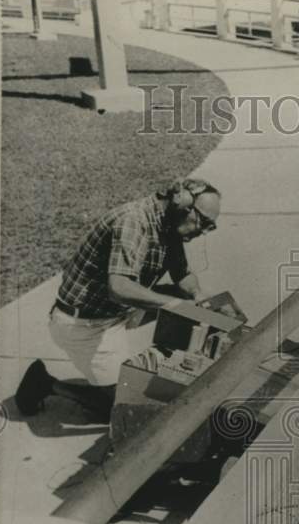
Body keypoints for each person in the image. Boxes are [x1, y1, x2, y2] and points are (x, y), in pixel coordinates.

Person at [14, 176, 222, 421]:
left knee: (190, 303)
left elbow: (181, 273)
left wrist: (198, 297)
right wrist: (175, 305)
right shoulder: (133, 222)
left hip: (116, 311)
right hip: (84, 324)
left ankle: (176, 364)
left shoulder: (168, 223)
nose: (204, 231)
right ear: (182, 203)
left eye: (211, 226)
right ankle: (45, 383)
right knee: (121, 408)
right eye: (204, 222)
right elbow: (120, 287)